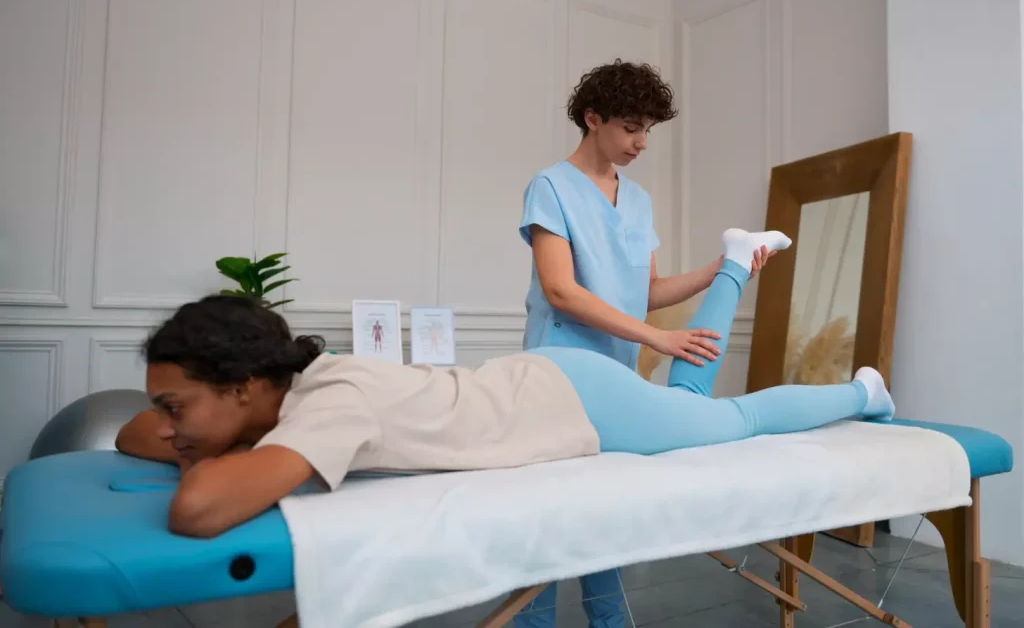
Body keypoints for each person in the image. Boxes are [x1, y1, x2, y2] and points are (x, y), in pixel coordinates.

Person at [114, 228, 894, 545]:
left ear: (250, 385)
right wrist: (191, 436)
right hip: (551, 381)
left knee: (729, 420)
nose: (167, 426)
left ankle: (864, 393)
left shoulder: (331, 404)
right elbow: (127, 433)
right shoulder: (296, 393)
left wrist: (193, 456)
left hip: (575, 400)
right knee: (692, 405)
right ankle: (735, 260)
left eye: (177, 407)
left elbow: (197, 509)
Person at [516, 59, 776, 626]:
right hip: (558, 377)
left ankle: (609, 621)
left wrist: (719, 270)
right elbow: (561, 290)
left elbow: (647, 291)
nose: (641, 142)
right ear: (593, 118)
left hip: (616, 379)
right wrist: (660, 339)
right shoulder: (551, 187)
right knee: (550, 516)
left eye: (648, 131)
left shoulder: (637, 200)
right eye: (631, 127)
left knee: (602, 514)